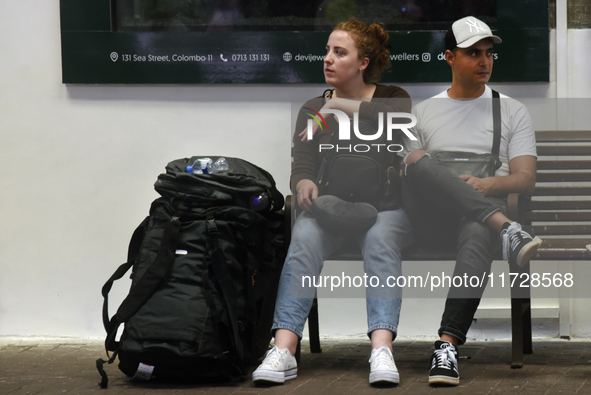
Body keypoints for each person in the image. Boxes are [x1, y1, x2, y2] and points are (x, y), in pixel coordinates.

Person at [252, 18, 414, 386]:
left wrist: (340, 107)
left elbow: (398, 121)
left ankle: (381, 350)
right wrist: (305, 181)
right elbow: (303, 163)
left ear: (363, 62)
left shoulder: (392, 96)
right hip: (329, 209)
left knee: (380, 242)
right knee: (303, 241)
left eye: (339, 53)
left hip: (385, 211)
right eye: (327, 51)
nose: (328, 59)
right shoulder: (314, 108)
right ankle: (284, 349)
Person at [400, 16, 543, 386]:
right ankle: (509, 229)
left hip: (475, 220)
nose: (484, 61)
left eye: (489, 53)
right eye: (472, 53)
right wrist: (459, 188)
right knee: (416, 159)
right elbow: (414, 173)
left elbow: (525, 181)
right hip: (429, 221)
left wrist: (484, 185)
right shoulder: (423, 112)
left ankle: (446, 345)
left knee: (479, 226)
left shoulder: (511, 110)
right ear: (449, 57)